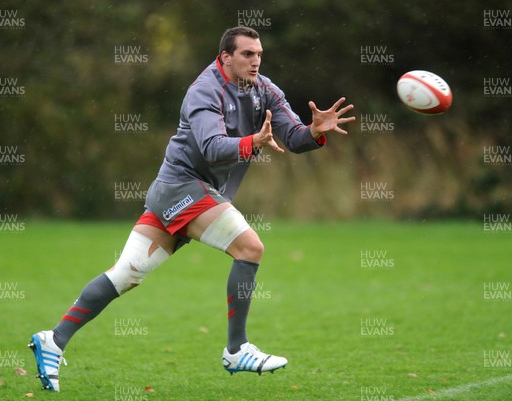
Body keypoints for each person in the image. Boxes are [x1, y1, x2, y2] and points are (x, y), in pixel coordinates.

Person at [28, 26, 355, 392]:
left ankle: (53, 340)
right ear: (226, 57)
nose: (256, 61)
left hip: (189, 194)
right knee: (250, 247)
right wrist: (253, 142)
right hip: (181, 188)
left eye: (259, 54)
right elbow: (213, 147)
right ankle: (236, 350)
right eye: (247, 54)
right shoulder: (204, 90)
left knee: (127, 273)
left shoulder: (266, 90)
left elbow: (293, 138)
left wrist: (314, 131)